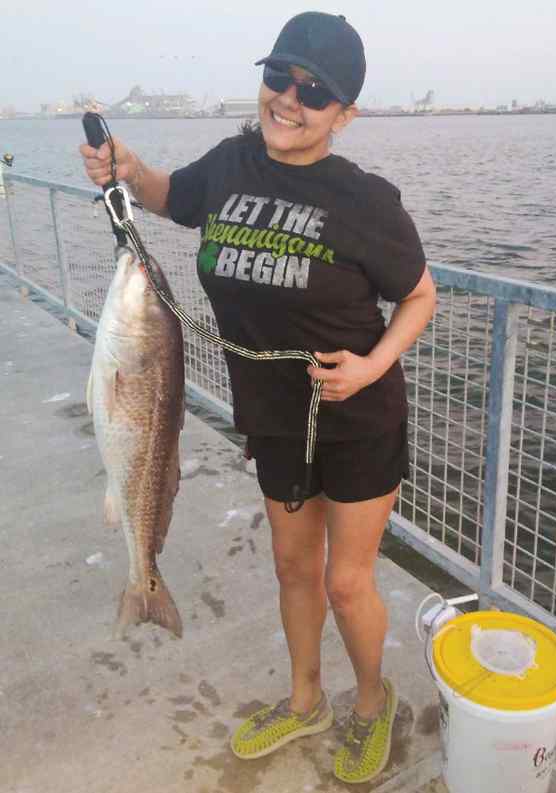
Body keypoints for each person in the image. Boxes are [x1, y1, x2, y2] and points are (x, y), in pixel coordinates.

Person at [80, 11, 436, 784]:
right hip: (273, 411)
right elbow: (172, 196)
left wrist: (371, 367)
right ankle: (305, 697)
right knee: (291, 567)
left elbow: (420, 297)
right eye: (280, 77)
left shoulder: (366, 200)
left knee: (347, 580)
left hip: (357, 411)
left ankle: (372, 702)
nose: (290, 99)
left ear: (345, 114)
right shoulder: (233, 162)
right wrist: (127, 168)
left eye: (316, 92)